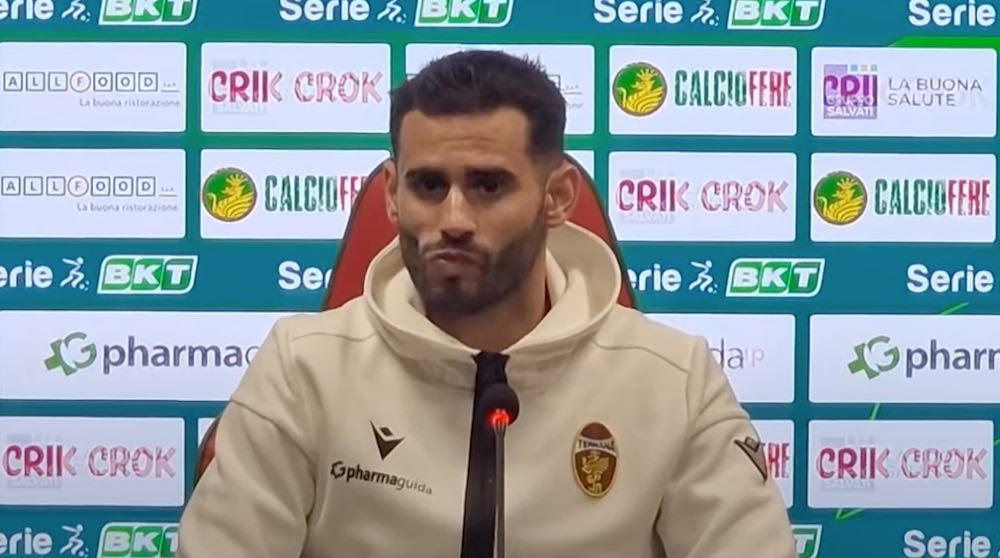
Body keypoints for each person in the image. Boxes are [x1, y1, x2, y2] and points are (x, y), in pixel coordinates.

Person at [176, 49, 797, 558]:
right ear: (391, 194)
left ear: (557, 197)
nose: (453, 219)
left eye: (488, 185)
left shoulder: (673, 379)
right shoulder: (301, 368)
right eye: (428, 184)